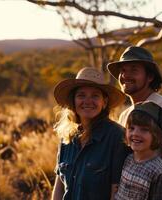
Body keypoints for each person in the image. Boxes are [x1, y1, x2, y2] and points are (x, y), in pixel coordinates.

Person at [107, 46, 162, 200]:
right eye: (123, 70)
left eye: (134, 70)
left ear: (150, 76)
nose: (125, 76)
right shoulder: (125, 115)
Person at [51, 67, 129, 200]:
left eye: (95, 95)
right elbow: (59, 185)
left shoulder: (117, 137)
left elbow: (116, 191)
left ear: (104, 102)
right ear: (73, 101)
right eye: (81, 95)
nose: (88, 101)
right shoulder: (67, 137)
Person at [115, 101, 162, 200]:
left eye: (144, 129)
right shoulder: (128, 158)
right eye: (131, 128)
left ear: (156, 135)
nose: (135, 133)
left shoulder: (158, 170)